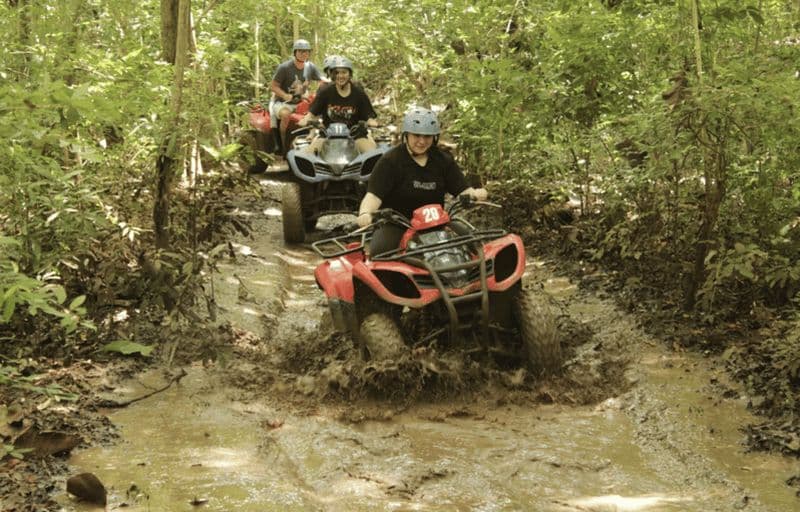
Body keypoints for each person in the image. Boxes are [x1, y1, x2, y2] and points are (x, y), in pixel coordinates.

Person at [356, 107, 488, 255]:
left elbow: (462, 189)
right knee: (379, 253)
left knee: (473, 245)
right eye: (416, 135)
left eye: (427, 136)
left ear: (434, 137)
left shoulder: (443, 160)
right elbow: (373, 195)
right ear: (406, 135)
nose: (422, 141)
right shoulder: (390, 161)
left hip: (436, 222)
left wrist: (475, 194)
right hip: (398, 224)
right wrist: (365, 213)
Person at [297, 56, 378, 154]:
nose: (340, 76)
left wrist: (372, 122)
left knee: (372, 155)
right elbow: (312, 113)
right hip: (327, 135)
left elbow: (369, 115)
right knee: (308, 156)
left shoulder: (359, 93)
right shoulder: (325, 91)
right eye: (337, 73)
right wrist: (305, 120)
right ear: (332, 75)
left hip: (355, 135)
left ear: (350, 74)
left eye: (344, 72)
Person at [268, 39, 325, 154]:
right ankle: (282, 146)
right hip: (282, 103)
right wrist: (285, 95)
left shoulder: (310, 67)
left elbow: (322, 79)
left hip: (301, 102)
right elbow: (273, 86)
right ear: (295, 52)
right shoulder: (284, 68)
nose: (304, 54)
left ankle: (315, 143)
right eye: (301, 51)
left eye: (306, 51)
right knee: (285, 114)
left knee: (320, 113)